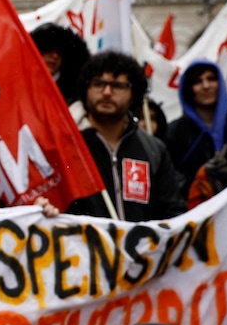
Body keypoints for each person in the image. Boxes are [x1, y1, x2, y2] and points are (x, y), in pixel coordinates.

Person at [67, 51, 188, 222]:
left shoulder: (153, 150)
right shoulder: (68, 146)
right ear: (85, 90)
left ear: (134, 95)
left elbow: (173, 213)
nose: (107, 92)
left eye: (118, 86)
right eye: (98, 84)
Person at [165, 59, 227, 184]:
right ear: (188, 88)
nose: (206, 86)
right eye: (197, 81)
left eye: (211, 79)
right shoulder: (174, 132)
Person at [30, 22, 90, 105]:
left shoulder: (75, 94)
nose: (55, 56)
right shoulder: (19, 86)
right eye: (49, 49)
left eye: (60, 52)